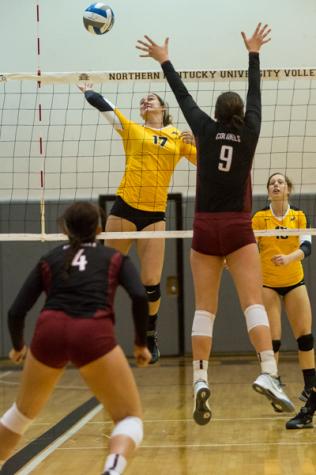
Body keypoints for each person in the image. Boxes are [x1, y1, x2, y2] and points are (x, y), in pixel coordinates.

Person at [136, 23, 295, 425]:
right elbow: (256, 93)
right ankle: (269, 372)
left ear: (217, 114)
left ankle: (200, 380)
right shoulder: (252, 131)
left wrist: (165, 60)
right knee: (252, 304)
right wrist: (254, 53)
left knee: (203, 309)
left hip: (204, 227)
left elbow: (182, 96)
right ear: (241, 115)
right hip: (239, 228)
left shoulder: (203, 131)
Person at [0, 202, 151, 475]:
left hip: (50, 331)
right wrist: (141, 343)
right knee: (129, 417)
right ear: (99, 228)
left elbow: (16, 311)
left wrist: (18, 346)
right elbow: (140, 296)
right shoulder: (113, 257)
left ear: (66, 229)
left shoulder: (50, 259)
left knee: (21, 414)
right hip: (92, 332)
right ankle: (113, 469)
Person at [78, 84, 197, 364]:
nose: (145, 101)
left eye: (151, 99)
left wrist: (198, 140)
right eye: (142, 100)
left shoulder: (176, 137)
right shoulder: (132, 129)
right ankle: (96, 333)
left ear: (163, 108)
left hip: (155, 215)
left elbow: (207, 163)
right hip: (124, 210)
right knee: (105, 275)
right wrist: (88, 90)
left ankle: (149, 334)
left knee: (151, 283)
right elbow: (102, 104)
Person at [252, 173, 315, 407]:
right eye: (272, 183)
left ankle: (310, 387)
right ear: (268, 192)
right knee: (273, 340)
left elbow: (307, 246)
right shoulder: (259, 218)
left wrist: (289, 258)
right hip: (268, 283)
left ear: (288, 189)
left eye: (280, 182)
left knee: (306, 337)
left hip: (294, 280)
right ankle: (273, 384)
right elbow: (249, 246)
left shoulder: (298, 216)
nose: (276, 185)